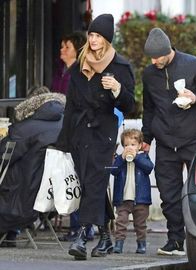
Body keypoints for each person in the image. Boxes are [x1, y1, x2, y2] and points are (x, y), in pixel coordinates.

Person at [56, 13, 135, 260]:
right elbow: (70, 106)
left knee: (95, 180)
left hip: (104, 132)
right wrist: (64, 140)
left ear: (107, 39)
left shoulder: (120, 67)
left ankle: (82, 235)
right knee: (91, 184)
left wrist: (118, 90)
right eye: (91, 35)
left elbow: (130, 105)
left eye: (98, 36)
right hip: (80, 132)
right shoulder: (79, 65)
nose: (93, 40)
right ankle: (105, 238)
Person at [142, 28, 196, 256]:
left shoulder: (193, 65)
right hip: (166, 142)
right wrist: (147, 138)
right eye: (151, 57)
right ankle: (175, 241)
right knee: (168, 194)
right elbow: (149, 109)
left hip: (195, 139)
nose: (154, 61)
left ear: (168, 51)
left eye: (158, 56)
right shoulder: (149, 74)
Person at [0, 86, 66, 246]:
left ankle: (10, 233)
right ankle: (12, 234)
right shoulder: (66, 123)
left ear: (31, 105)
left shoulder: (26, 127)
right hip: (55, 190)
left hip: (25, 190)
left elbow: (4, 153)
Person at [50, 31, 95, 242]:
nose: (61, 50)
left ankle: (82, 226)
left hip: (79, 131)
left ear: (76, 51)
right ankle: (79, 225)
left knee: (78, 176)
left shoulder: (79, 73)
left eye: (66, 47)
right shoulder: (61, 72)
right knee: (70, 176)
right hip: (63, 130)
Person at [111, 128, 154, 254]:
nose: (129, 147)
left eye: (133, 145)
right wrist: (121, 159)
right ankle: (119, 244)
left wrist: (136, 157)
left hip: (140, 199)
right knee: (121, 222)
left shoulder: (143, 157)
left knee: (140, 224)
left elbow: (149, 168)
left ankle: (141, 244)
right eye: (126, 145)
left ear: (140, 145)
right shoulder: (120, 158)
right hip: (123, 198)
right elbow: (113, 170)